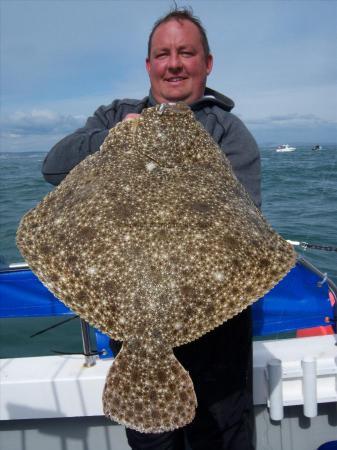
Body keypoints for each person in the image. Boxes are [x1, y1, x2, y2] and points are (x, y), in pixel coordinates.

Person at [42, 7, 260, 450]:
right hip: (131, 324)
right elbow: (53, 167)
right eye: (163, 53)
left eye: (186, 52)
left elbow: (245, 228)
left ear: (206, 63)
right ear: (149, 65)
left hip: (214, 333)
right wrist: (114, 139)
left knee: (220, 438)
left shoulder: (227, 132)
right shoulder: (115, 117)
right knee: (151, 444)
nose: (174, 63)